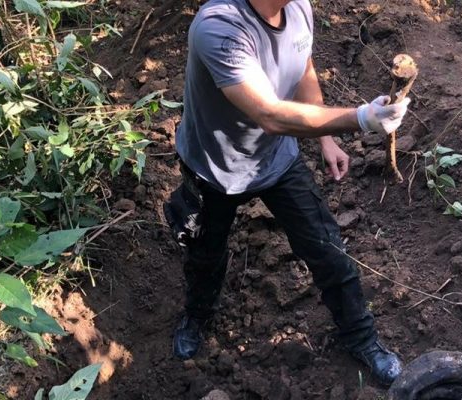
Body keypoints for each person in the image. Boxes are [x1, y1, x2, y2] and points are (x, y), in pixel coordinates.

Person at [164, 0, 411, 386]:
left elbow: (304, 68)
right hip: (215, 168)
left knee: (327, 248)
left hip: (276, 161)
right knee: (205, 254)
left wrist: (327, 138)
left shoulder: (297, 8)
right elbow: (270, 115)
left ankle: (362, 339)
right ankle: (196, 316)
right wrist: (360, 118)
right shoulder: (220, 27)